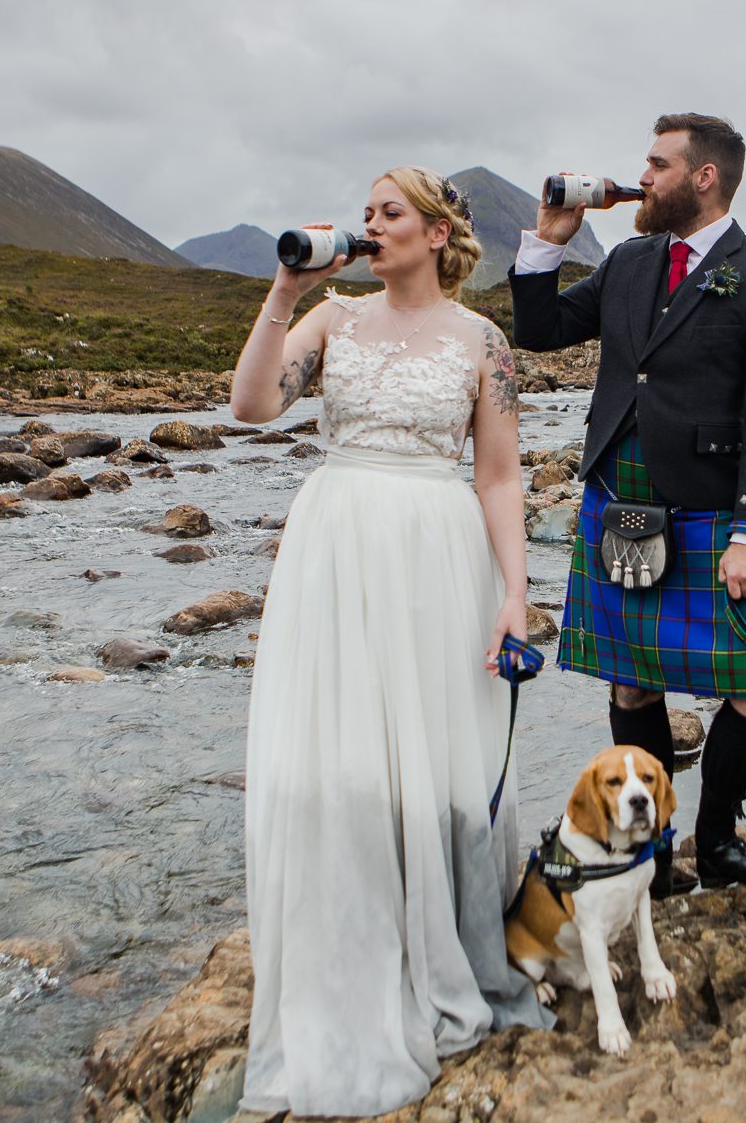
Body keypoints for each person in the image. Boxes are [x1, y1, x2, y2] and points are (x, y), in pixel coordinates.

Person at [231, 166, 551, 1117]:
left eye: (390, 212)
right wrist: (285, 294)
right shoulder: (332, 320)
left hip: (434, 546)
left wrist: (514, 592)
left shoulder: (483, 341)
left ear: (437, 229)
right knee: (338, 748)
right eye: (366, 213)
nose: (372, 226)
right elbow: (251, 405)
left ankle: (439, 941)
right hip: (334, 538)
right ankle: (346, 948)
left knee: (431, 752)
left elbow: (498, 478)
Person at [510, 112, 746, 896]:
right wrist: (548, 238)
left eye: (657, 164)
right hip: (622, 500)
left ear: (703, 176)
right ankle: (652, 855)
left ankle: (714, 843)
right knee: (633, 683)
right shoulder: (629, 261)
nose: (641, 177)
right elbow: (540, 330)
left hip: (715, 508)